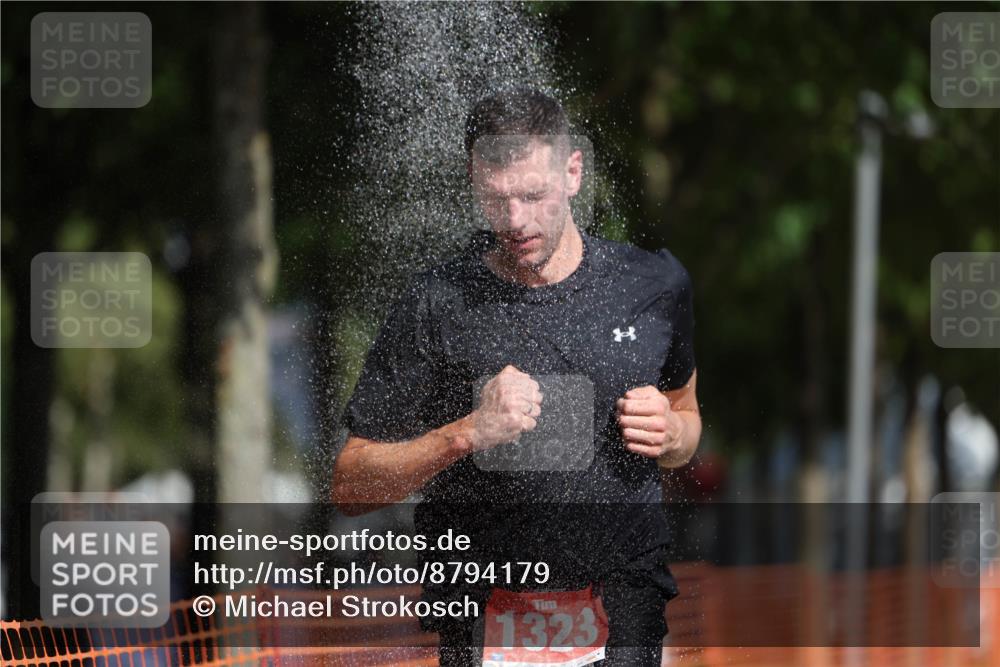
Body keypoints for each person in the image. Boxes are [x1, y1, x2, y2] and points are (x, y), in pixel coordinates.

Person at [332, 88, 701, 666]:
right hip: (486, 619)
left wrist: (673, 435)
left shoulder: (653, 285)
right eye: (496, 199)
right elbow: (351, 485)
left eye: (533, 195)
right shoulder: (437, 304)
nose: (516, 221)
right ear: (475, 183)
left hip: (622, 615)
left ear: (573, 171)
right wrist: (467, 433)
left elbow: (687, 418)